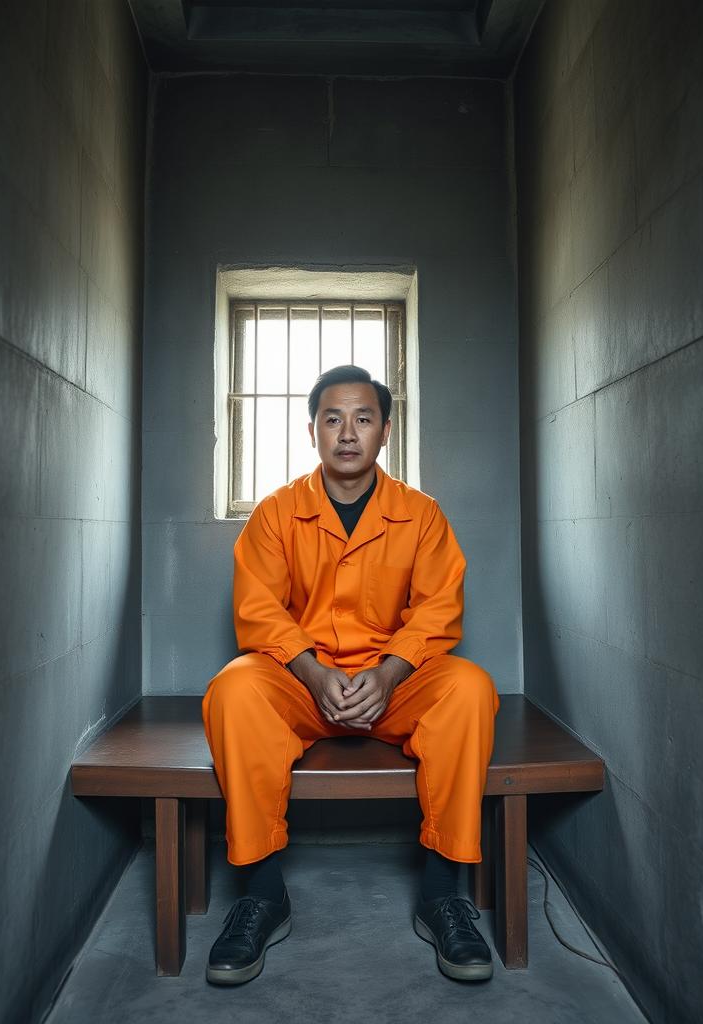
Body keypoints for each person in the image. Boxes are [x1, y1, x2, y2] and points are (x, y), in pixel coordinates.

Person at [202, 364, 499, 985]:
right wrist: (311, 673)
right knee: (233, 688)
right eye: (332, 419)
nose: (347, 432)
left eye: (363, 418)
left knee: (470, 688)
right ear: (312, 431)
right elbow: (258, 610)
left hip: (393, 688)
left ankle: (442, 892)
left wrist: (389, 674)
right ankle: (261, 892)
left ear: (385, 431)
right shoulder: (277, 513)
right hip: (306, 687)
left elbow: (439, 609)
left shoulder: (421, 516)